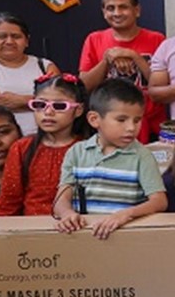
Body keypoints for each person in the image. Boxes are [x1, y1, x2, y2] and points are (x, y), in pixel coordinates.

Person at [53, 79, 168, 239]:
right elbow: (61, 198)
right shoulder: (76, 152)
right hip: (84, 237)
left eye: (137, 120)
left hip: (126, 239)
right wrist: (67, 214)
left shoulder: (142, 155)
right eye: (121, 120)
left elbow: (159, 201)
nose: (131, 128)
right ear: (94, 119)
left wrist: (126, 214)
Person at [78, 0, 167, 142]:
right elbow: (83, 86)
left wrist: (134, 57)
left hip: (151, 123)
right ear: (104, 12)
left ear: (137, 10)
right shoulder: (94, 39)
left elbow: (162, 85)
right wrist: (107, 60)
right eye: (110, 8)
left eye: (123, 7)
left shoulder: (157, 39)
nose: (117, 13)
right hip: (109, 125)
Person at [0, 75, 89, 216]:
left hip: (78, 227)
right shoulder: (21, 148)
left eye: (59, 106)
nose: (48, 112)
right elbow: (8, 203)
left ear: (78, 110)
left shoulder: (89, 148)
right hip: (32, 231)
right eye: (40, 105)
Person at [0, 13, 58, 135]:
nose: (9, 41)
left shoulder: (44, 65)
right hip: (0, 141)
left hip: (45, 137)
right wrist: (40, 102)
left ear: (27, 40)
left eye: (16, 36)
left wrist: (22, 100)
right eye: (1, 36)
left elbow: (60, 101)